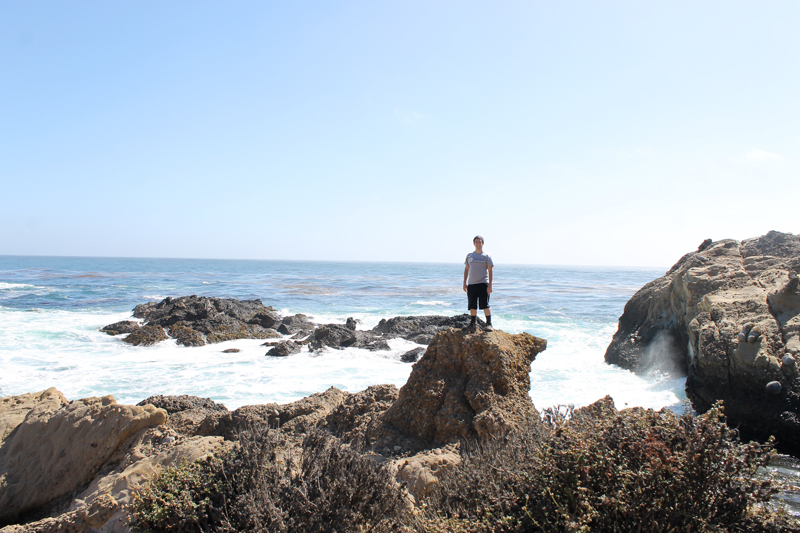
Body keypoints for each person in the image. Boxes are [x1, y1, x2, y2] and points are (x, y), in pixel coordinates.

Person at [463, 235, 493, 333]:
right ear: (474, 243)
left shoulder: (486, 256)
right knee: (472, 305)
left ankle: (489, 324)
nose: (478, 244)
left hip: (483, 284)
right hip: (471, 284)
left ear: (482, 243)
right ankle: (473, 324)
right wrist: (464, 283)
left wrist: (490, 285)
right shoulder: (470, 256)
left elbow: (490, 271)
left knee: (485, 305)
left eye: (480, 242)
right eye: (476, 242)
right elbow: (466, 269)